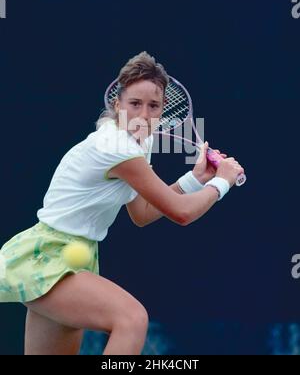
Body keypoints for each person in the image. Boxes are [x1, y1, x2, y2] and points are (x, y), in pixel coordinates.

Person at [0, 51, 244, 355]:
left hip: (77, 258)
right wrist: (223, 181)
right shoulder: (116, 146)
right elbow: (181, 213)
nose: (143, 115)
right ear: (117, 105)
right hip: (45, 257)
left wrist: (196, 179)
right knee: (131, 319)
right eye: (134, 104)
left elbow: (141, 213)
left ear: (163, 110)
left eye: (153, 106)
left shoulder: (141, 142)